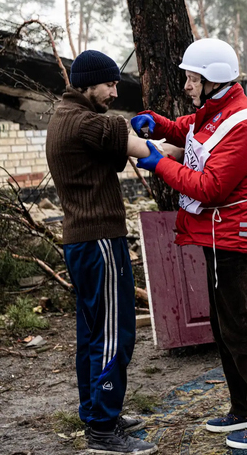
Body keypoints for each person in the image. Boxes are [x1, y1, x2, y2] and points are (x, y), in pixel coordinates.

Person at [131, 38, 247, 450]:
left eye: (191, 78)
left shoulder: (241, 125)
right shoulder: (219, 111)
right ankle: (243, 408)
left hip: (234, 239)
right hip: (222, 236)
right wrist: (162, 124)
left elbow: (211, 188)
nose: (186, 84)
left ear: (212, 79)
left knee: (240, 327)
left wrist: (160, 163)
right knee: (225, 328)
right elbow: (192, 128)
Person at [46, 50, 159, 454]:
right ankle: (103, 429)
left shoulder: (65, 116)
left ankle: (95, 410)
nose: (115, 91)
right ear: (87, 84)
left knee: (93, 334)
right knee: (116, 334)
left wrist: (132, 133)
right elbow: (145, 151)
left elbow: (115, 144)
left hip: (81, 241)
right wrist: (195, 156)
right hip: (99, 241)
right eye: (109, 84)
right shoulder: (84, 122)